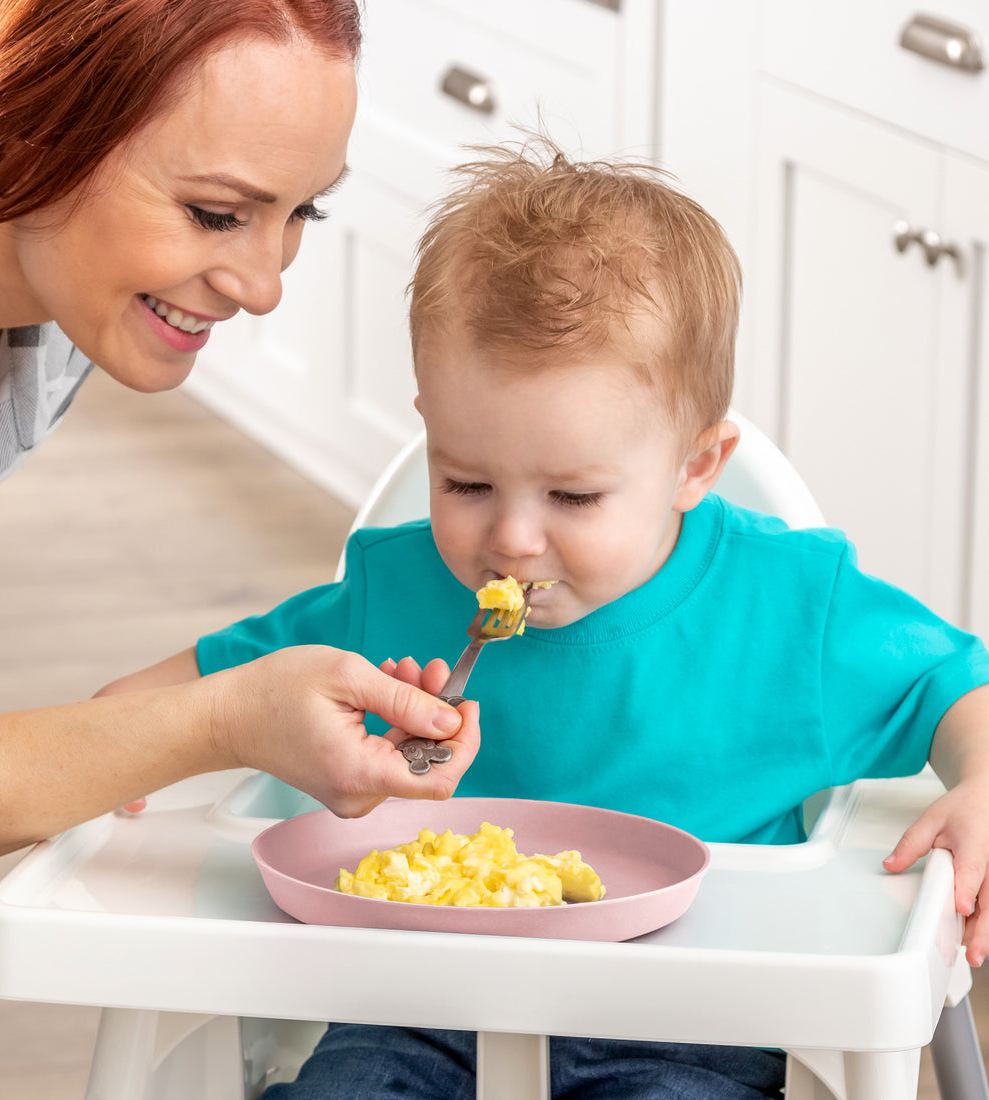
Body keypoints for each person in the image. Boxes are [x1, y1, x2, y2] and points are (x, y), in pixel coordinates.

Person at [98, 135, 989, 1098]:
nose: (511, 541)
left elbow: (949, 680)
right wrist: (112, 738)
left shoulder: (788, 606)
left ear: (695, 466)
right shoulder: (391, 592)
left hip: (695, 1024)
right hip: (417, 1008)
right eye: (466, 480)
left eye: (573, 497)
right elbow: (216, 688)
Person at [0, 0, 481, 884]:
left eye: (301, 214)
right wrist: (220, 722)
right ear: (26, 122)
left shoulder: (54, 323)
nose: (263, 285)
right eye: (214, 213)